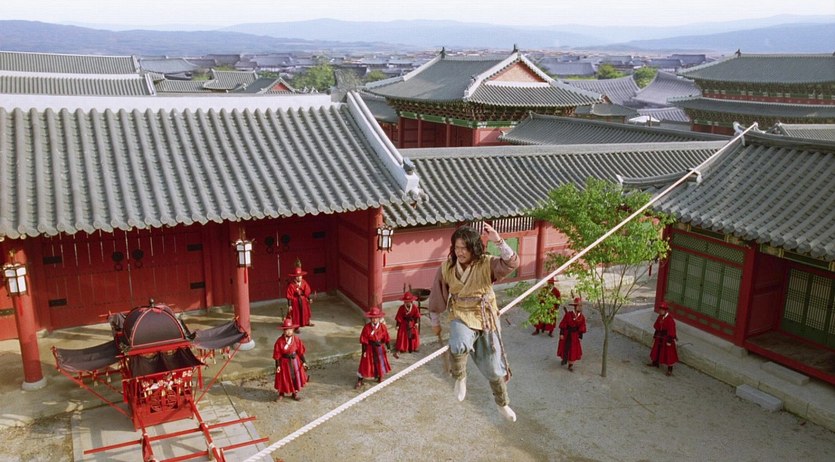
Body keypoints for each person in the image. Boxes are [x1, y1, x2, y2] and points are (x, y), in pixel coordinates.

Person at [427, 223, 520, 422]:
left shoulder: (487, 263)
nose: (460, 252)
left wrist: (498, 240)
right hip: (461, 313)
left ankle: (502, 403)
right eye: (457, 247)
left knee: (494, 367)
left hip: (486, 317)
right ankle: (460, 377)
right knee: (458, 342)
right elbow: (436, 295)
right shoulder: (447, 268)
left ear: (474, 248)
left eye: (464, 248)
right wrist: (435, 320)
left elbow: (511, 263)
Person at [355, 306, 392, 389]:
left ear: (379, 318)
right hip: (369, 348)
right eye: (373, 318)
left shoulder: (383, 327)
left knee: (380, 362)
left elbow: (386, 338)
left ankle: (380, 376)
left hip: (379, 348)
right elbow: (364, 340)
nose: (374, 320)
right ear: (370, 318)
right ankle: (360, 379)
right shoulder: (367, 327)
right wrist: (364, 351)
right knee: (365, 364)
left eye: (376, 318)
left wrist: (388, 348)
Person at [273, 317, 309, 401]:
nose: (289, 331)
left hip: (295, 361)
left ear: (293, 330)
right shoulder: (279, 341)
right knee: (283, 378)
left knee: (295, 377)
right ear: (284, 330)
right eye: (286, 330)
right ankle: (281, 393)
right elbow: (277, 354)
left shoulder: (296, 339)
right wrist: (278, 365)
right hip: (284, 362)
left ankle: (294, 393)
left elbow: (300, 352)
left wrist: (304, 362)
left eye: (290, 329)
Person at [557, 297, 587, 372]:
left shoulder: (582, 317)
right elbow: (563, 323)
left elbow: (582, 326)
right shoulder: (568, 315)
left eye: (580, 305)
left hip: (575, 336)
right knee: (565, 348)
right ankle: (564, 359)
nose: (580, 307)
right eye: (578, 305)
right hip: (567, 334)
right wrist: (561, 333)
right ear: (575, 306)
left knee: (573, 350)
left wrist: (580, 336)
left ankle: (570, 365)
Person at [649, 301, 679, 376]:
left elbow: (672, 331)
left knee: (669, 354)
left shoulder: (670, 320)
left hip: (667, 338)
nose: (661, 311)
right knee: (656, 350)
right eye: (660, 309)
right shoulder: (659, 317)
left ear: (665, 310)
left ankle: (670, 369)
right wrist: (654, 337)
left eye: (662, 309)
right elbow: (657, 328)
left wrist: (669, 341)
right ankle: (655, 363)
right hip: (659, 336)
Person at [286, 260, 314, 328]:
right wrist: (289, 305)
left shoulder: (304, 282)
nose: (299, 277)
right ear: (295, 277)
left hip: (303, 299)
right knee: (296, 314)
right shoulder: (291, 285)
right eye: (297, 276)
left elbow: (307, 292)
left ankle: (306, 322)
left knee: (306, 311)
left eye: (300, 276)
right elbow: (289, 296)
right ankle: (296, 326)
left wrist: (309, 298)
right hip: (295, 301)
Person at [393, 291, 421, 359]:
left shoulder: (414, 307)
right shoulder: (401, 308)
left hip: (412, 323)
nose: (407, 303)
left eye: (408, 301)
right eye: (406, 301)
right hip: (404, 323)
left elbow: (417, 316)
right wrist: (397, 325)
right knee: (403, 335)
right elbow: (399, 317)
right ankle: (403, 347)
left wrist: (416, 323)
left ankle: (414, 347)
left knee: (413, 335)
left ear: (411, 301)